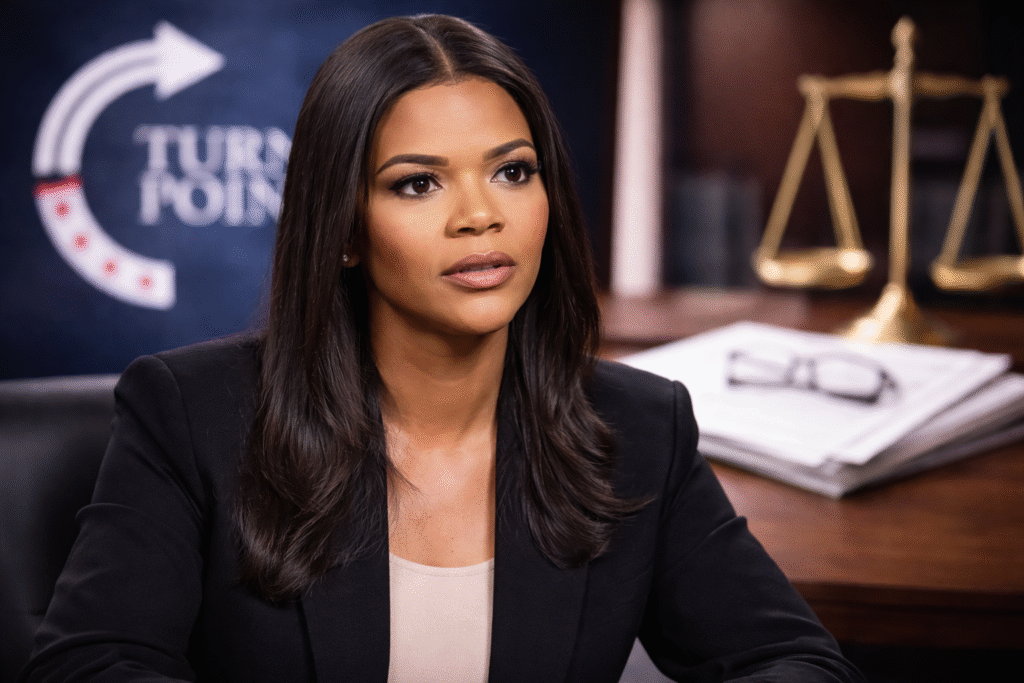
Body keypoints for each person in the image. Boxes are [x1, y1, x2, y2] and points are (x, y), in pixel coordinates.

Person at [20, 14, 864, 683]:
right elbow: (89, 661)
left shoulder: (641, 428)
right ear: (345, 229)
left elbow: (792, 660)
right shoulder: (192, 414)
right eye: (418, 183)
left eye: (513, 171)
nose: (480, 215)